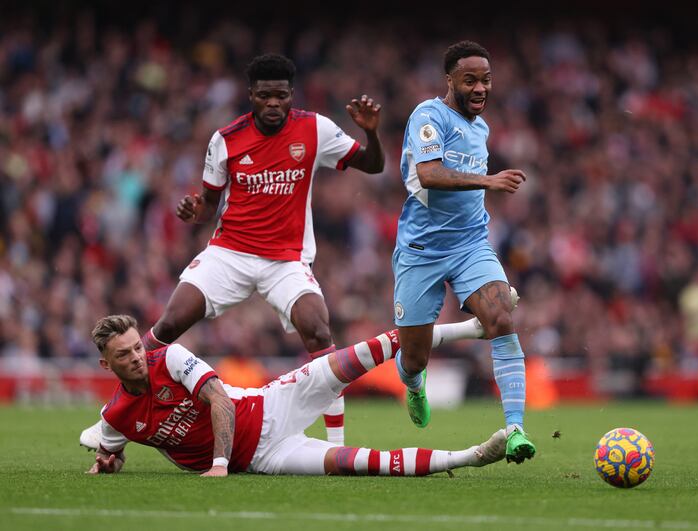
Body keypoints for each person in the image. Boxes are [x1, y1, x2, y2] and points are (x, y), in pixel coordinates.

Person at [82, 53, 386, 446]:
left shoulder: (315, 129)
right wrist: (195, 212)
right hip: (230, 253)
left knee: (319, 331)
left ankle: (337, 446)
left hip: (286, 260)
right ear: (251, 96)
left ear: (291, 94)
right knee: (169, 324)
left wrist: (373, 134)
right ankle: (112, 425)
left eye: (280, 95)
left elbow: (373, 166)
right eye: (264, 96)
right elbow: (208, 205)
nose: (273, 103)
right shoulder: (226, 140)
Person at [82, 314, 507, 477]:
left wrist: (217, 465)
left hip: (270, 404)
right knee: (357, 464)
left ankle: (472, 328)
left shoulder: (170, 357)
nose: (139, 357)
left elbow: (222, 401)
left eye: (139, 346)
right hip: (264, 459)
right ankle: (471, 456)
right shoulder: (116, 415)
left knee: (356, 356)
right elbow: (111, 454)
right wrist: (108, 463)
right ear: (107, 365)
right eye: (126, 354)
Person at [391, 40, 535, 463]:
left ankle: (515, 430)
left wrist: (485, 186)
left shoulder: (481, 127)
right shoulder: (428, 115)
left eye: (486, 80)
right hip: (421, 249)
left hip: (471, 243)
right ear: (450, 80)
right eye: (470, 79)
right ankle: (414, 384)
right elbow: (430, 174)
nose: (480, 88)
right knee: (414, 357)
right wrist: (489, 181)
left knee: (501, 318)